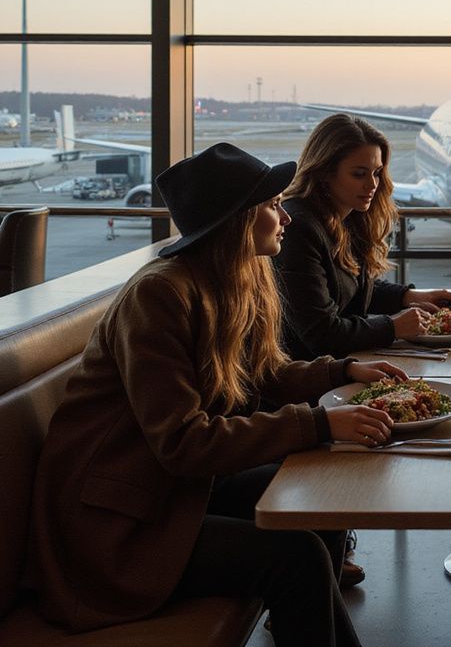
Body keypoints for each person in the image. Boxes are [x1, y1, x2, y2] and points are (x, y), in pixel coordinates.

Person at [29, 143, 407, 647]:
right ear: (238, 219)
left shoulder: (228, 279)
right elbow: (183, 443)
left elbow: (266, 374)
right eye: (273, 205)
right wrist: (319, 423)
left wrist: (344, 370)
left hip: (176, 492)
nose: (285, 217)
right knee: (296, 559)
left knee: (322, 495)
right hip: (118, 529)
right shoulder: (159, 296)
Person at [273, 112, 451, 361]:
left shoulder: (348, 217)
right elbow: (321, 334)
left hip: (345, 365)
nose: (373, 185)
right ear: (324, 172)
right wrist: (393, 326)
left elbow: (350, 289)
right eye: (359, 174)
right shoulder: (299, 228)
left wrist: (409, 297)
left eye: (376, 172)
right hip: (308, 380)